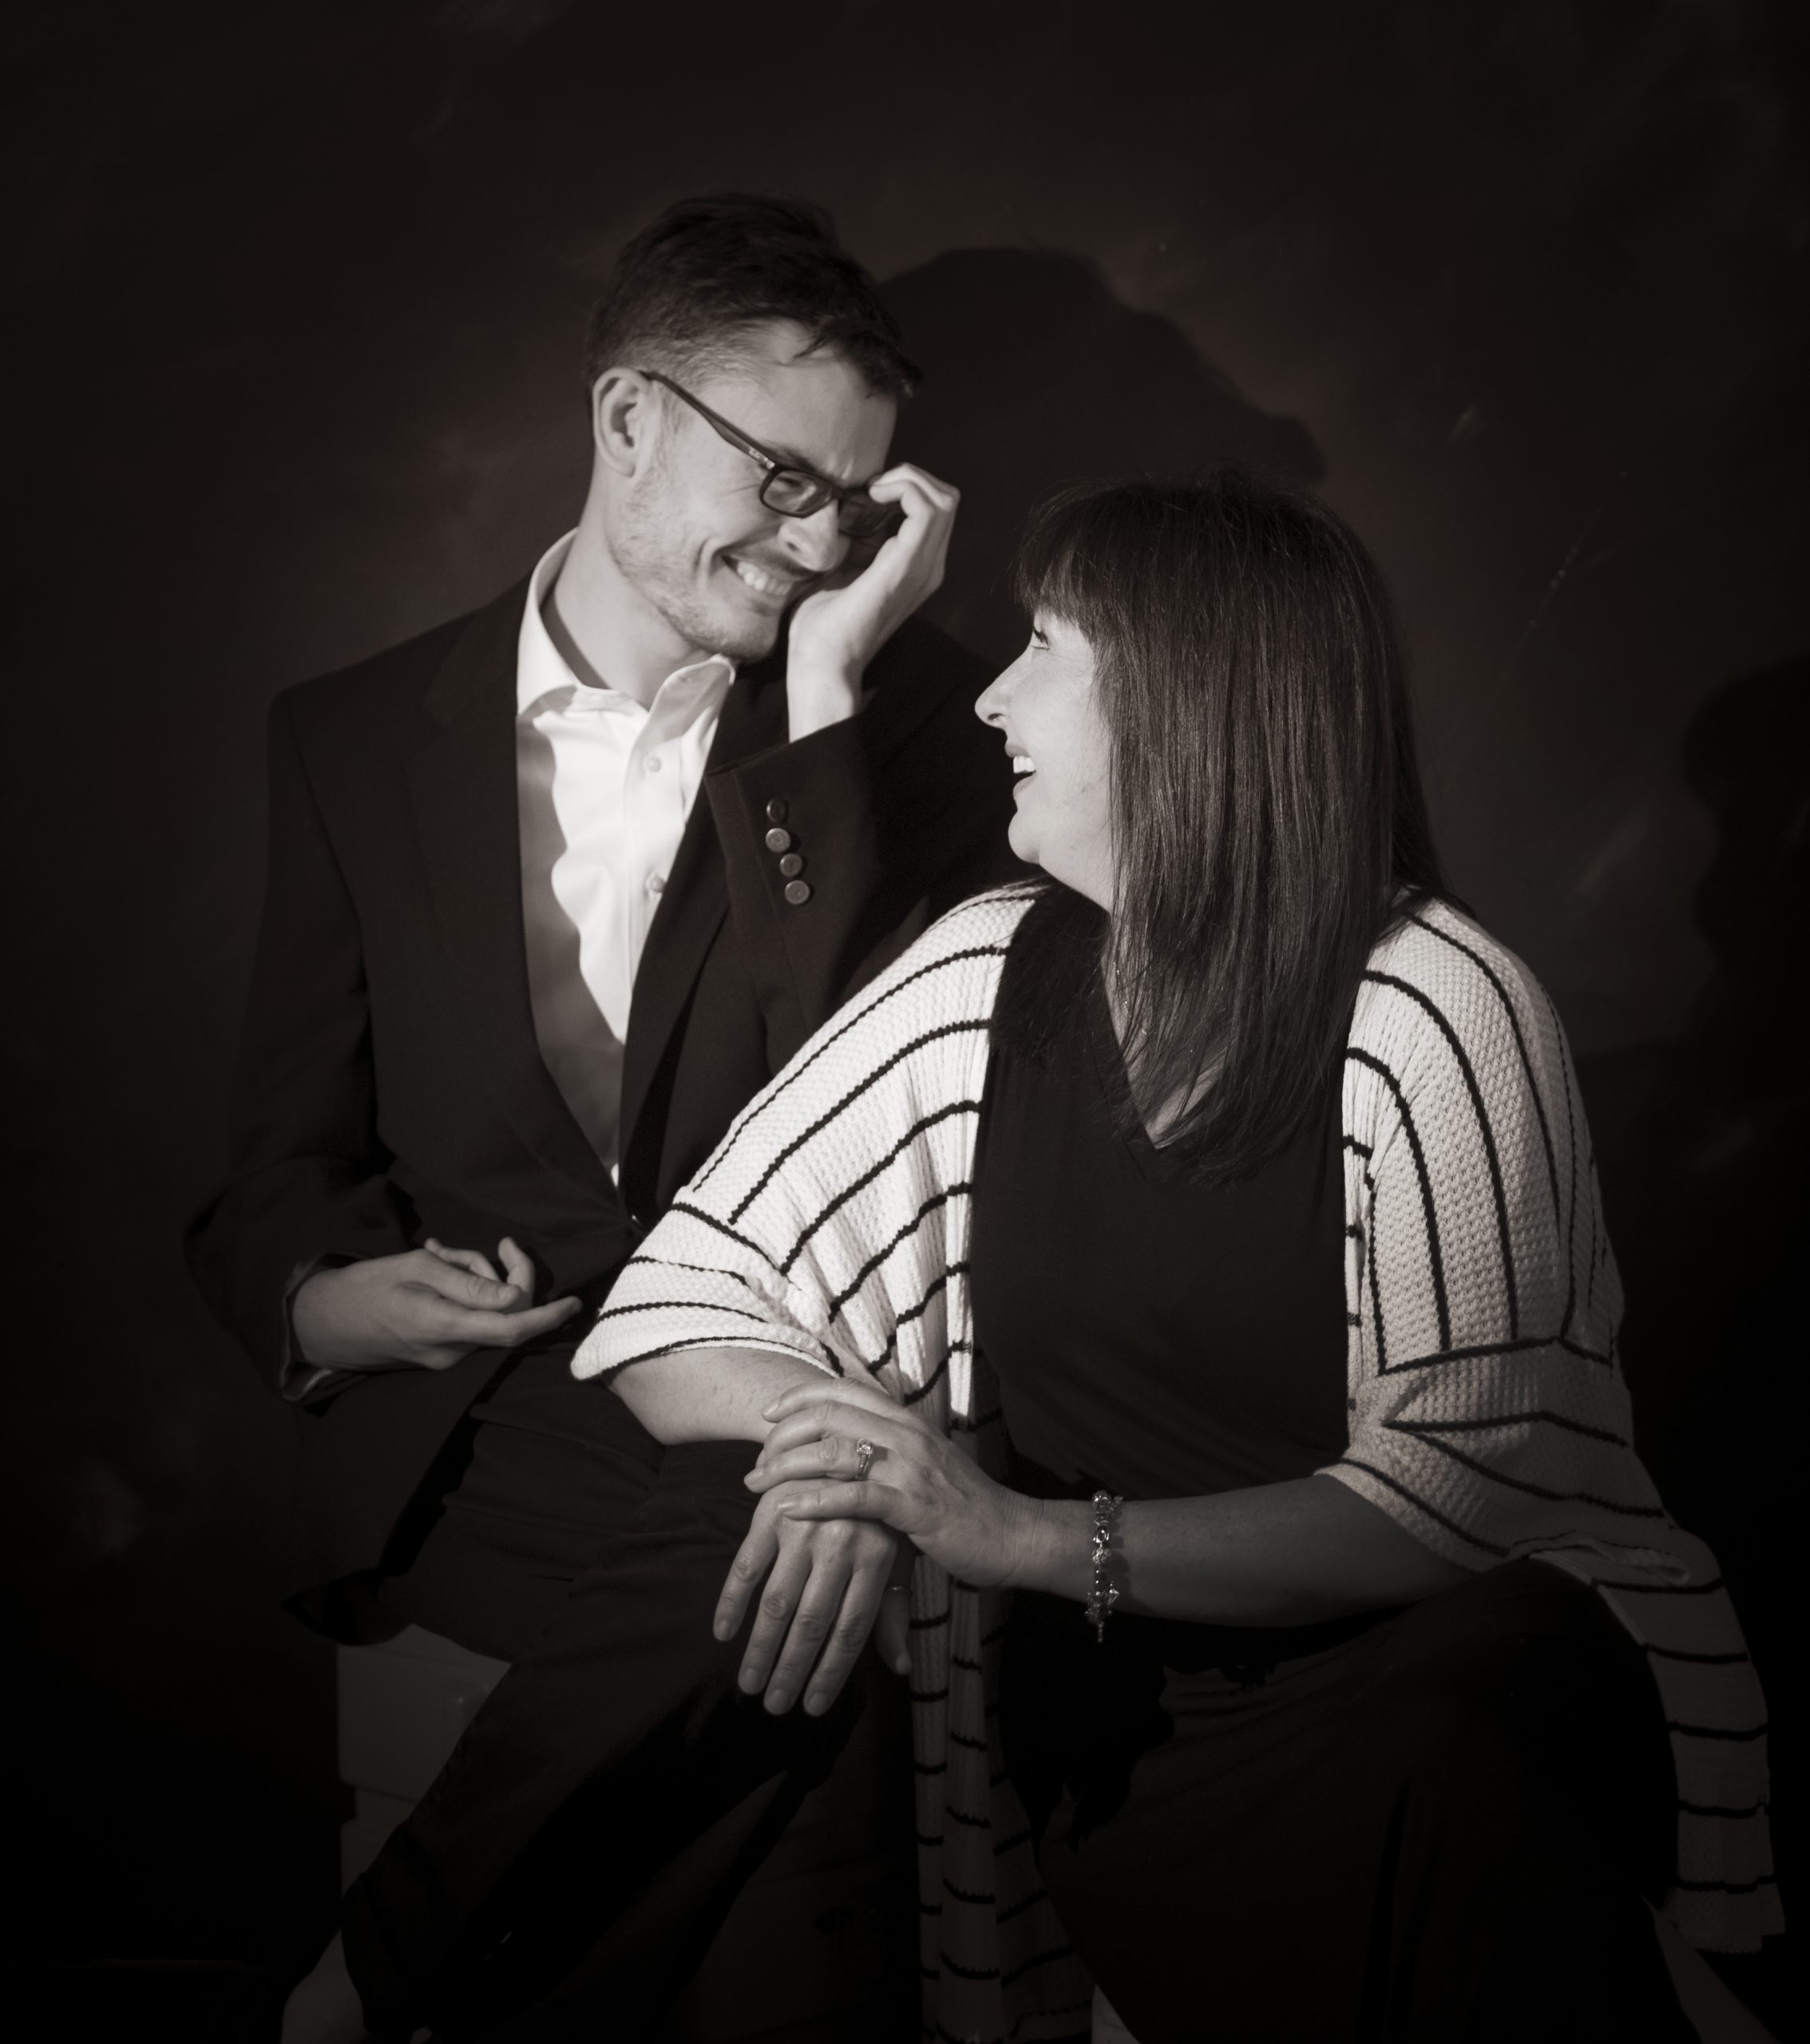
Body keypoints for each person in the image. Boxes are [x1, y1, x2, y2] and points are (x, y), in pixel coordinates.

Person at [579, 476, 1779, 2042]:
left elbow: (1459, 1498)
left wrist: (1021, 1536)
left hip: (1440, 1685)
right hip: (1132, 1732)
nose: (993, 696)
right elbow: (672, 1304)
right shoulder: (984, 971)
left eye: (1045, 647)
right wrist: (854, 1452)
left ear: (1185, 701)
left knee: (1454, 1734)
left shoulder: (1437, 1002)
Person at [187, 195, 1017, 2038]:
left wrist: (822, 706)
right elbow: (277, 1169)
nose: (821, 542)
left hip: (776, 1479)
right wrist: (331, 1301)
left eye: (858, 503)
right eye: (784, 479)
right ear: (627, 415)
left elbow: (867, 1109)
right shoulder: (349, 737)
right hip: (490, 1474)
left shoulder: (925, 735)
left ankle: (365, 1981)